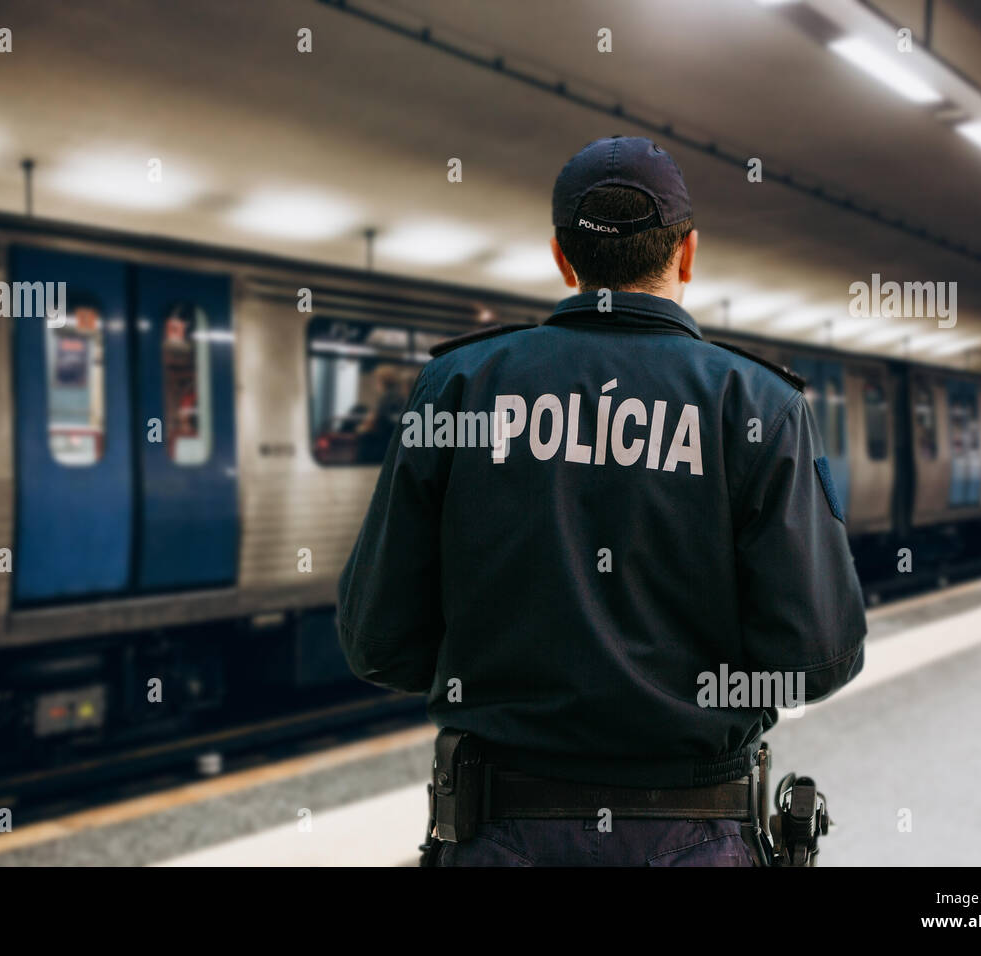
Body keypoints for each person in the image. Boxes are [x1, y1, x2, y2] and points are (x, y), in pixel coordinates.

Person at [337, 135, 866, 866]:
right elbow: (815, 661)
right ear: (687, 254)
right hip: (694, 839)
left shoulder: (459, 387)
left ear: (562, 258)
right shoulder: (758, 404)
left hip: (500, 833)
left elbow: (377, 642)